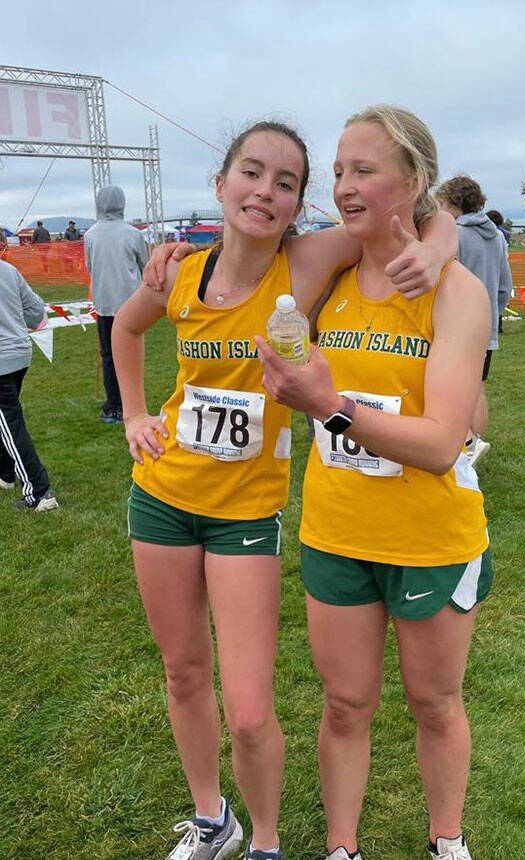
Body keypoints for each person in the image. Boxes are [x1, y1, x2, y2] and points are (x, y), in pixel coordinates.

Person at [112, 119, 456, 860]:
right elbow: (125, 329)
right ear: (221, 183)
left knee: (248, 712)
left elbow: (429, 206)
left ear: (300, 206)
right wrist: (136, 413)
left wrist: (433, 250)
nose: (264, 191)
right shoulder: (178, 273)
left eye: (286, 182)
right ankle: (213, 818)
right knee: (181, 672)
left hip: (244, 516)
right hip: (162, 499)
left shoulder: (305, 263)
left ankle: (264, 841)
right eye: (251, 172)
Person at [256, 105, 492, 860]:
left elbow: (440, 443)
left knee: (435, 702)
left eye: (364, 170)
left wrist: (328, 405)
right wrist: (163, 270)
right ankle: (342, 848)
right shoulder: (325, 274)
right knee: (346, 704)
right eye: (338, 170)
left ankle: (447, 840)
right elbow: (242, 248)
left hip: (430, 536)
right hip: (338, 531)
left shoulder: (455, 293)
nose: (344, 185)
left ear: (413, 179)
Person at [435, 175, 513, 466]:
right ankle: (473, 446)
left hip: (455, 323)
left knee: (450, 388)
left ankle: (467, 444)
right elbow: (505, 286)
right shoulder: (497, 237)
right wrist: (492, 314)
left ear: (454, 203)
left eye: (441, 203)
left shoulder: (452, 234)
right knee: (476, 386)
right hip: (487, 326)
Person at [84, 185, 148, 423]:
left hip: (105, 305)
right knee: (131, 354)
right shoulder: (133, 234)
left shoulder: (91, 235)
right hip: (131, 304)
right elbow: (146, 265)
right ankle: (129, 405)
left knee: (109, 356)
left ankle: (115, 406)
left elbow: (91, 267)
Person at [0, 257, 58, 511]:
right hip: (19, 354)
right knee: (5, 420)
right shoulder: (9, 271)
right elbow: (35, 311)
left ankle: (39, 489)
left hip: (3, 357)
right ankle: (5, 474)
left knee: (11, 424)